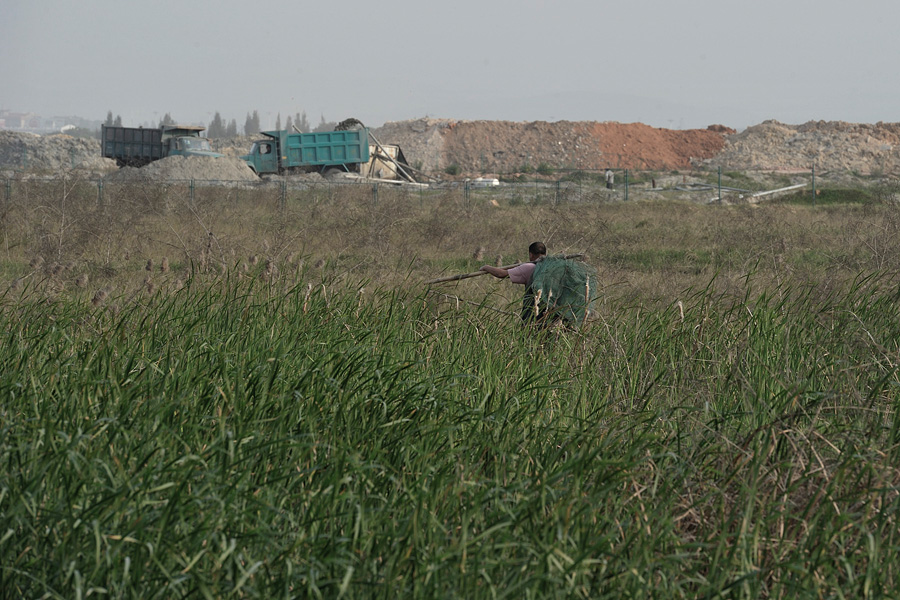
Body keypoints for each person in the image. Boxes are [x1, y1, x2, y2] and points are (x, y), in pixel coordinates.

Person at [480, 241, 547, 323]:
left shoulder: (529, 267)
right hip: (552, 314)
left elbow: (501, 274)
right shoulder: (554, 267)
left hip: (533, 315)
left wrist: (486, 267)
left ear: (530, 254)